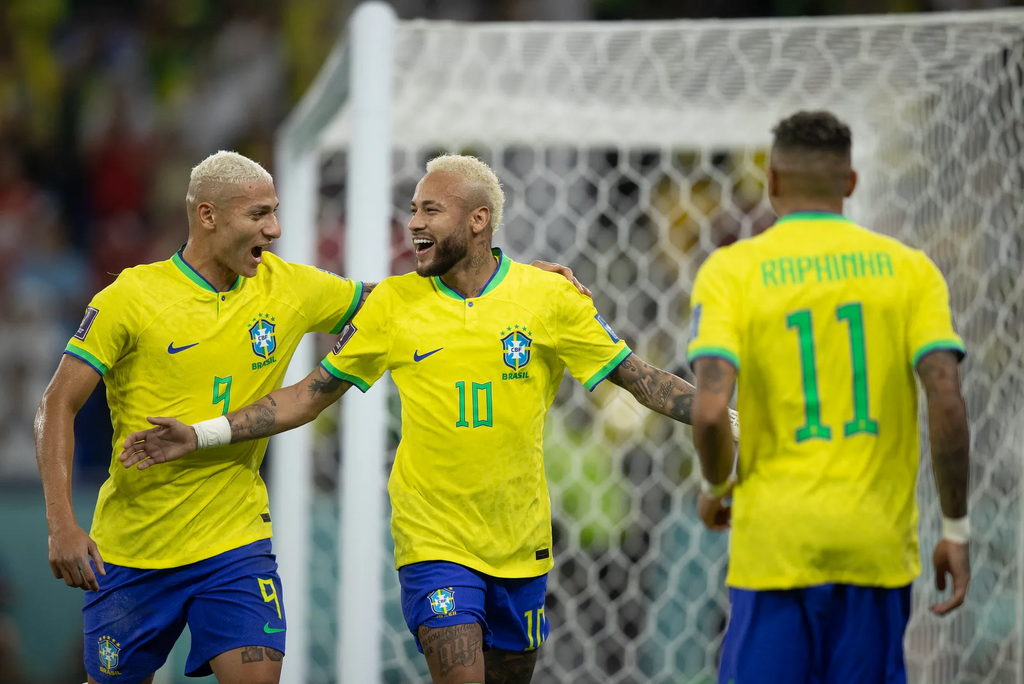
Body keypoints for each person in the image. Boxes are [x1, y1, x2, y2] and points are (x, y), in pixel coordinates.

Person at [117, 154, 740, 684]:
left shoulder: (549, 299)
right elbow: (308, 394)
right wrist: (204, 433)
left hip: (521, 543)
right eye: (412, 209)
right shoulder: (394, 304)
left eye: (429, 211)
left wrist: (729, 419)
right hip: (434, 543)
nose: (413, 223)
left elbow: (642, 382)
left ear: (478, 220)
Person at [34, 150, 586, 684]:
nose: (274, 229)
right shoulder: (131, 297)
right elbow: (57, 403)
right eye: (259, 214)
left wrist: (505, 279)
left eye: (275, 212)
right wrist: (62, 523)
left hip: (234, 545)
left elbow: (402, 300)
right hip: (133, 549)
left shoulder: (289, 286)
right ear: (207, 216)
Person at [687, 110, 971, 684]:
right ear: (850, 183)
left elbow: (711, 408)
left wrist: (716, 487)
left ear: (772, 182)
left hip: (775, 550)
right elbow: (946, 399)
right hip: (875, 550)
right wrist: (955, 528)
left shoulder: (732, 270)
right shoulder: (911, 271)